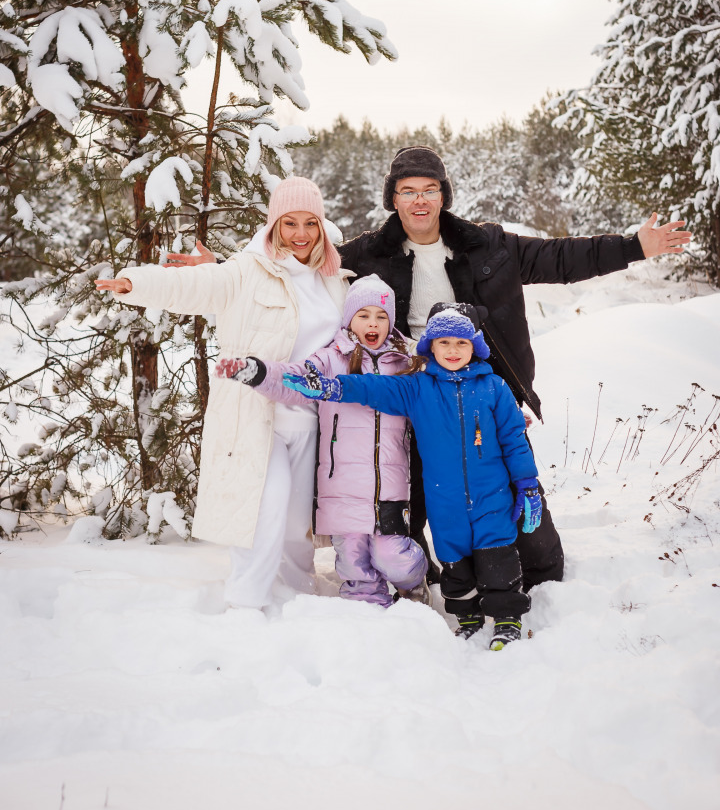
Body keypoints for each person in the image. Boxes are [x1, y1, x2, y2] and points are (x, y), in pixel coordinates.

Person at [164, 145, 692, 590]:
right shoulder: (367, 255)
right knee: (407, 490)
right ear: (393, 200)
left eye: (429, 189)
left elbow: (560, 258)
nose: (419, 200)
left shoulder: (491, 247)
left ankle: (540, 578)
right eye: (408, 190)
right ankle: (424, 582)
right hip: (405, 387)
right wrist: (225, 271)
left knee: (508, 485)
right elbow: (299, 256)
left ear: (443, 195)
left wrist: (633, 246)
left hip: (479, 388)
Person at [94, 177, 351, 610]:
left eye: (311, 223)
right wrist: (134, 284)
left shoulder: (333, 279)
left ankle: (297, 596)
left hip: (309, 417)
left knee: (293, 521)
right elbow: (195, 286)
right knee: (264, 508)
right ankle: (246, 602)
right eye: (290, 223)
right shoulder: (246, 270)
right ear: (273, 225)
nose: (301, 234)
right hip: (254, 411)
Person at [283, 305, 543, 650]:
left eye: (462, 343)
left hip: (491, 495)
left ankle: (507, 618)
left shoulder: (494, 387)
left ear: (474, 348)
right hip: (444, 500)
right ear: (430, 348)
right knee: (454, 559)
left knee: (498, 556)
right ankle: (467, 618)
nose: (453, 350)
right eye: (444, 342)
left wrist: (527, 484)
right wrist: (332, 387)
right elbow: (373, 388)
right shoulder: (417, 388)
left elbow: (513, 439)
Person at [215, 274, 428, 608]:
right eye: (364, 315)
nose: (372, 324)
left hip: (389, 486)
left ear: (391, 321)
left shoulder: (406, 362)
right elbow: (294, 379)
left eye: (381, 316)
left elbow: (443, 396)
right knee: (355, 563)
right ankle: (369, 614)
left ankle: (415, 585)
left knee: (393, 555)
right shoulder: (329, 359)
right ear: (349, 318)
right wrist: (256, 372)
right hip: (340, 485)